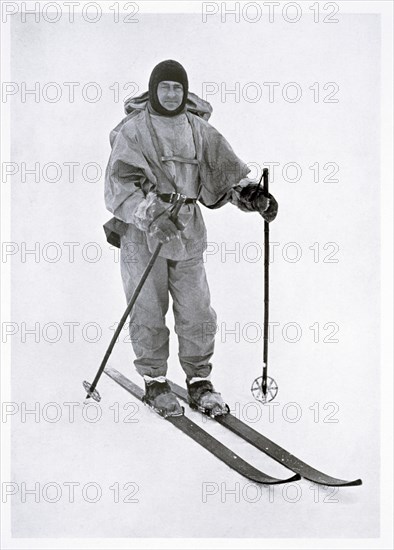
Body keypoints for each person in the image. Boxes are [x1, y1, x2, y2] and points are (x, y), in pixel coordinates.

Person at [104, 60, 278, 418]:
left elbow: (225, 173)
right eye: (165, 87)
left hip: (186, 229)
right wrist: (151, 215)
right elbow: (119, 184)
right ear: (154, 90)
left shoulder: (199, 129)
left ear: (185, 92)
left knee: (197, 309)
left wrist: (251, 195)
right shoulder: (133, 131)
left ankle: (199, 380)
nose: (171, 94)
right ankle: (155, 380)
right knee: (148, 307)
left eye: (177, 88)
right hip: (143, 235)